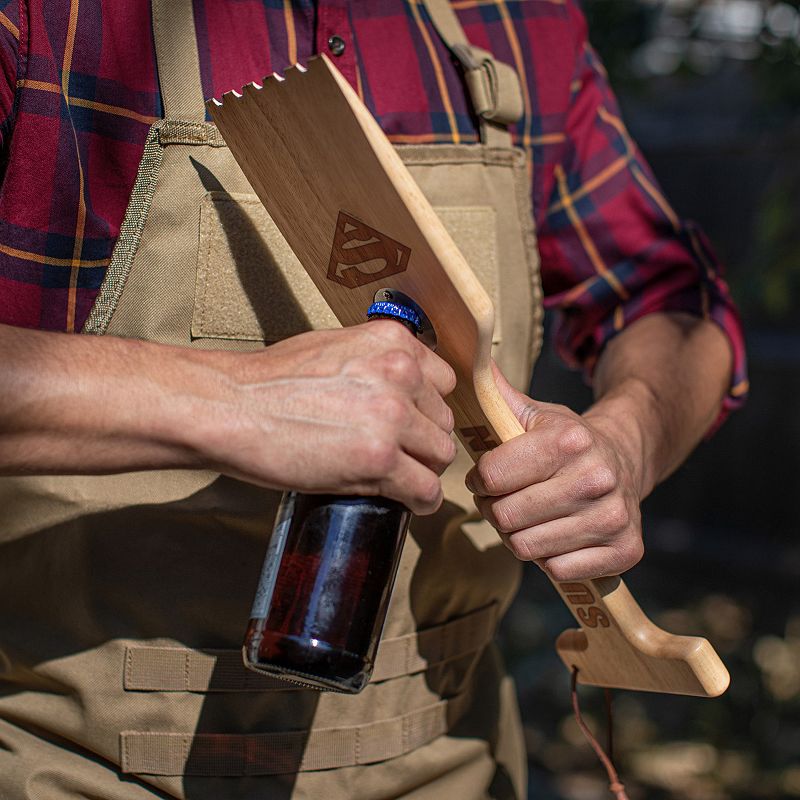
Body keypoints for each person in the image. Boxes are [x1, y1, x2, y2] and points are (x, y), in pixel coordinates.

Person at [0, 1, 746, 799]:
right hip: (76, 767)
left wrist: (622, 445)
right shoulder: (53, 17)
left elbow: (667, 302)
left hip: (453, 765)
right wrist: (230, 402)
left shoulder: (520, 23)